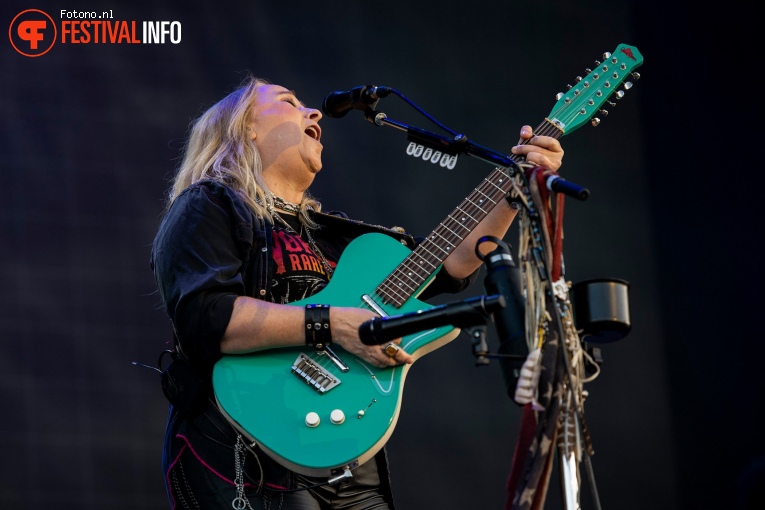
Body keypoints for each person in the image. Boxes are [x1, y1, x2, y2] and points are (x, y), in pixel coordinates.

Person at [151, 74, 564, 510]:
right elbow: (207, 317)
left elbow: (452, 263)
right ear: (243, 128)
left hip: (348, 456)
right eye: (289, 102)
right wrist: (334, 324)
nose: (312, 112)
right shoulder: (210, 203)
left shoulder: (338, 236)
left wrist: (517, 186)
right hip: (245, 446)